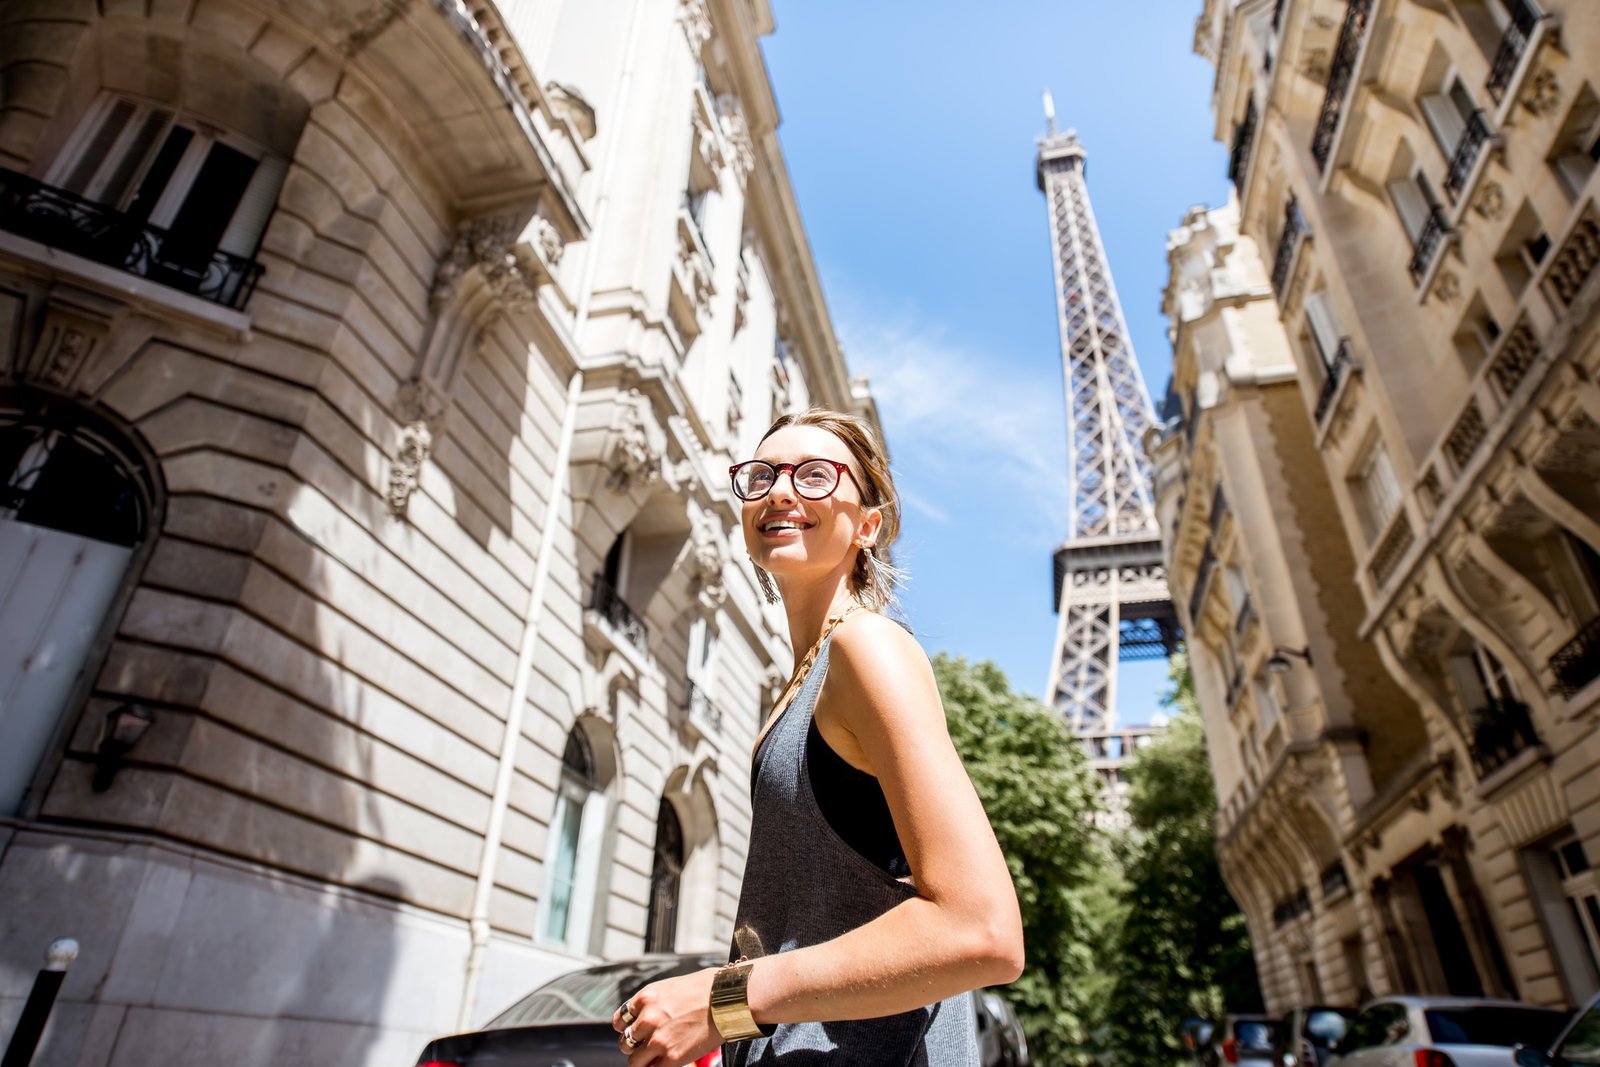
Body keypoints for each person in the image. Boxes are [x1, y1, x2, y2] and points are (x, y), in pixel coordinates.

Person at [611, 408, 1023, 1065]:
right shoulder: (801, 687)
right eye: (762, 475)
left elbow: (982, 929)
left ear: (867, 524)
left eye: (813, 474)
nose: (780, 490)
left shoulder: (867, 648)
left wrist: (720, 1001)